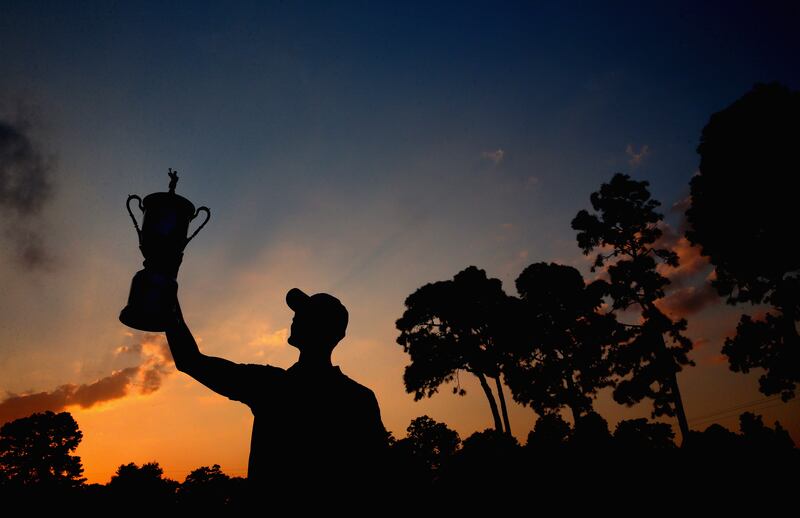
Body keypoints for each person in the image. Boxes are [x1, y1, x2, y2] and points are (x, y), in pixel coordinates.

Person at [164, 287, 389, 500]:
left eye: (304, 314)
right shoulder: (358, 398)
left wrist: (166, 293)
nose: (294, 317)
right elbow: (379, 475)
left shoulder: (272, 386)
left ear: (320, 328)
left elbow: (190, 360)